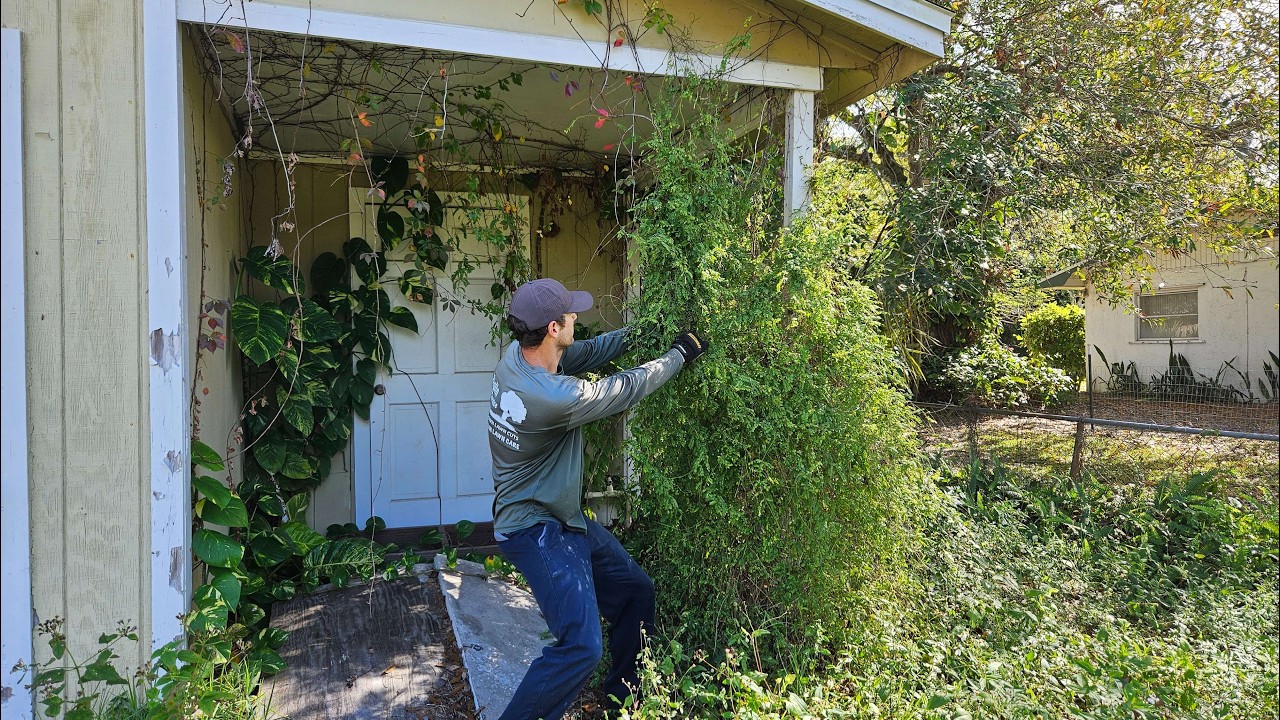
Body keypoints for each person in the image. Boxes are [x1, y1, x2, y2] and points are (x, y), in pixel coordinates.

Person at [487, 278, 707, 720]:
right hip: (536, 527)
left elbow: (588, 352)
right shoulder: (551, 397)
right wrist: (679, 354)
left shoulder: (518, 357)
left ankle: (621, 705)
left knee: (635, 593)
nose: (576, 317)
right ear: (552, 328)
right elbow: (624, 388)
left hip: (560, 515)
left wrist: (643, 331)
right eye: (570, 314)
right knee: (581, 646)